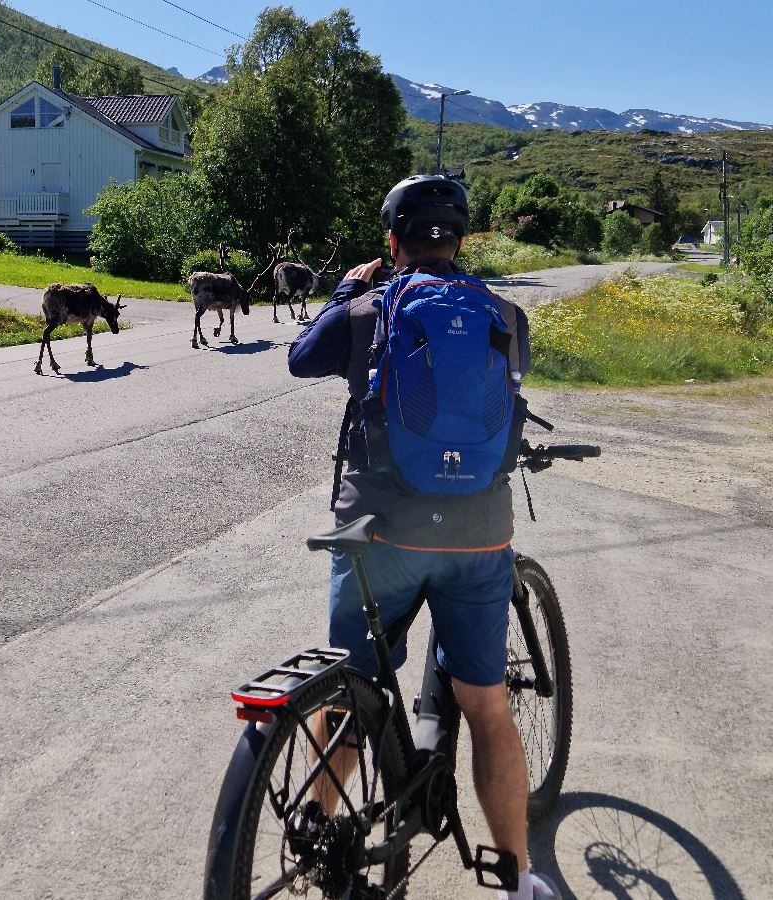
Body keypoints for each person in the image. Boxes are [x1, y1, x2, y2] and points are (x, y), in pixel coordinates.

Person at [288, 175, 559, 900]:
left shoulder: (367, 309)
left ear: (392, 240)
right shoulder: (505, 315)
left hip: (381, 535)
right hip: (478, 535)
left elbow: (300, 358)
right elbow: (505, 387)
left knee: (351, 693)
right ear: (460, 241)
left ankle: (317, 836)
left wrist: (347, 291)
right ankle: (518, 878)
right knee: (488, 705)